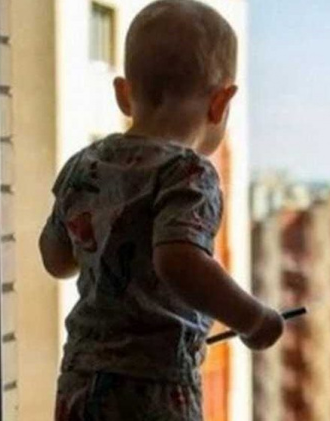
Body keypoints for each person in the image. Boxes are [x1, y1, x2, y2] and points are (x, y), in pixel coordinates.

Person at [40, 1, 284, 419]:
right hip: (152, 385)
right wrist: (254, 319)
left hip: (79, 378)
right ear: (221, 103)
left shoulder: (86, 164)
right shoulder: (188, 173)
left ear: (124, 95)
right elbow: (178, 260)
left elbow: (56, 258)